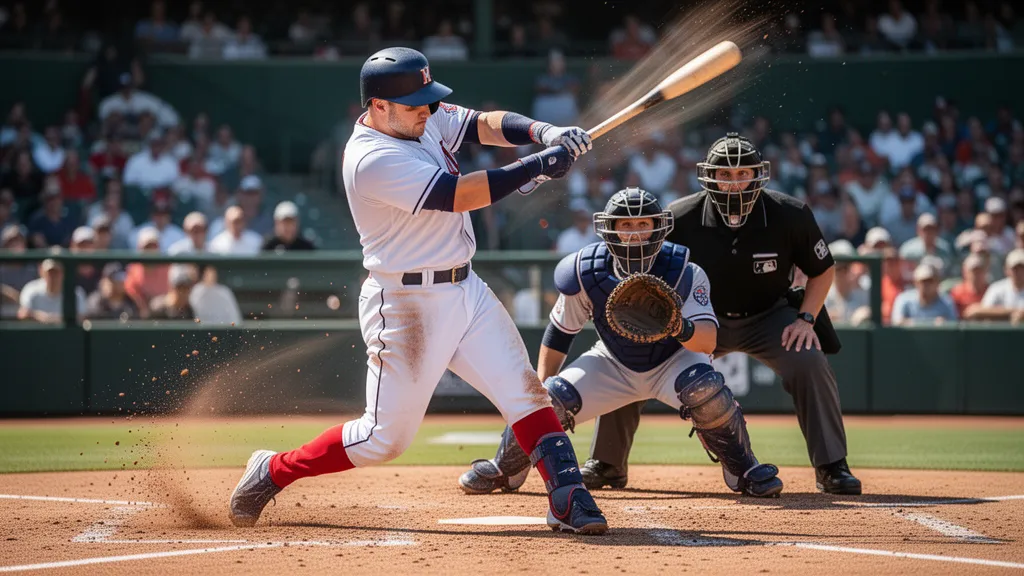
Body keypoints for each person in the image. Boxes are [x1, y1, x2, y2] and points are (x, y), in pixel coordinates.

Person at [228, 47, 607, 534]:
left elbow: (484, 124)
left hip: (464, 288)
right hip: (405, 305)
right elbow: (459, 195)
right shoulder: (371, 158)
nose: (427, 112)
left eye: (429, 101)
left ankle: (568, 496)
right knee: (383, 439)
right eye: (415, 105)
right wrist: (535, 166)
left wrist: (543, 133)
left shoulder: (418, 115)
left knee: (527, 393)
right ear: (378, 106)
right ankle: (273, 469)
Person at [578, 134, 862, 496]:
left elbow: (823, 269)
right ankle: (607, 463)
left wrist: (805, 319)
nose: (734, 181)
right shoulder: (679, 217)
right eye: (725, 174)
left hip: (770, 316)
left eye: (743, 172)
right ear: (708, 176)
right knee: (633, 354)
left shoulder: (791, 214)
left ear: (759, 175)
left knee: (809, 361)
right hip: (697, 319)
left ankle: (831, 466)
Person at [457, 188, 784, 498]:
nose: (634, 233)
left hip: (674, 360)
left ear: (659, 227)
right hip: (613, 360)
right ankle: (507, 467)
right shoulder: (585, 270)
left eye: (643, 224)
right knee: (551, 396)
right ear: (608, 229)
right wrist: (541, 392)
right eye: (625, 224)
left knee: (706, 390)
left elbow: (708, 342)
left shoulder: (685, 270)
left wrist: (678, 326)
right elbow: (559, 333)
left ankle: (743, 468)